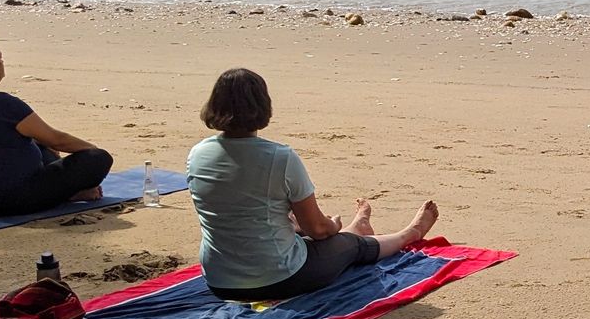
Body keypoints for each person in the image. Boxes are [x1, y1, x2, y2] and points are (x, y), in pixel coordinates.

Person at [186, 68, 438, 302]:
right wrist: (334, 226)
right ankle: (406, 233)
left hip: (219, 280)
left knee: (294, 226)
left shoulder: (197, 154)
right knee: (347, 245)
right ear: (263, 106)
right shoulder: (279, 157)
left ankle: (357, 227)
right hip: (279, 278)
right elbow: (317, 229)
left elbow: (238, 206)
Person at [0, 35, 114, 215]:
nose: (2, 63)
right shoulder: (6, 105)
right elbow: (58, 140)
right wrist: (91, 150)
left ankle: (67, 192)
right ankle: (67, 194)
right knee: (99, 159)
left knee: (41, 146)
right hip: (12, 200)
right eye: (0, 59)